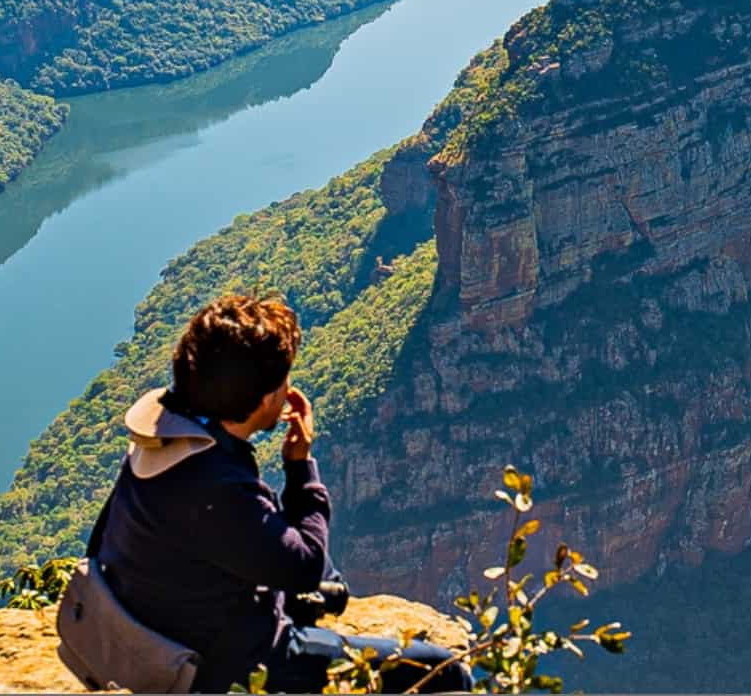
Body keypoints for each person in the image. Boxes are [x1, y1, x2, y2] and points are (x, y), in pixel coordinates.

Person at [88, 294, 471, 692]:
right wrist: (301, 465)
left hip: (158, 625)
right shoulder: (216, 486)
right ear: (267, 398)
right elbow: (304, 565)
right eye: (284, 379)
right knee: (446, 671)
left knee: (326, 582)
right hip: (222, 663)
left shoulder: (161, 438)